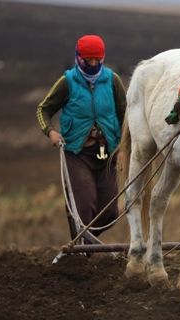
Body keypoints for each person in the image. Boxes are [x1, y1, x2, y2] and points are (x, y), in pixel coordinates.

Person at [36, 34, 126, 242]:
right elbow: (44, 109)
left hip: (107, 154)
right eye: (88, 61)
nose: (93, 64)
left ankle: (82, 244)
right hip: (77, 153)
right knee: (84, 207)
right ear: (78, 58)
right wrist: (50, 132)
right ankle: (83, 250)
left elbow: (125, 117)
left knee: (110, 213)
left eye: (97, 60)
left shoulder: (112, 81)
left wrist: (123, 148)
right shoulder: (67, 82)